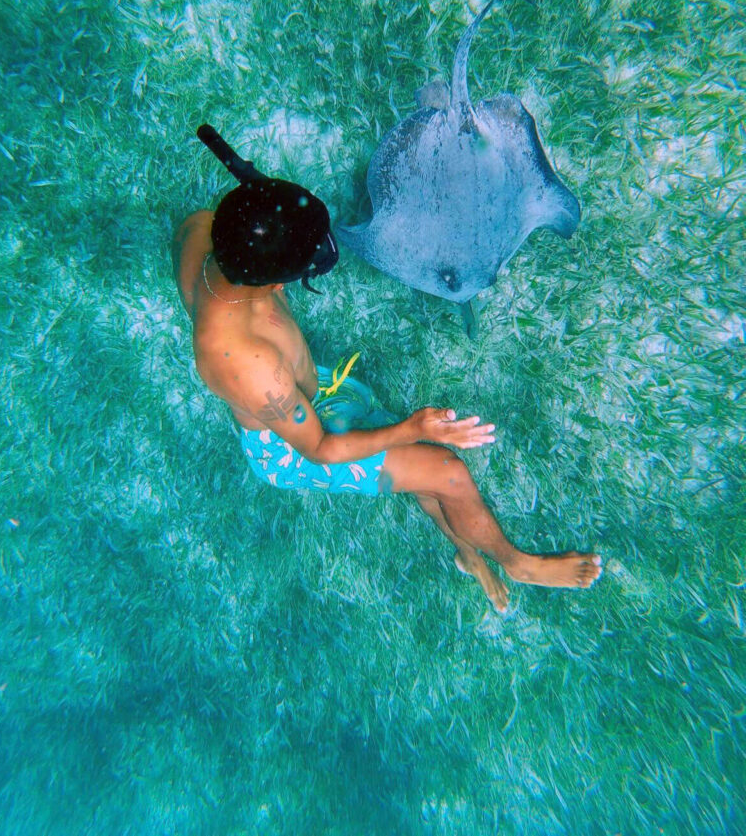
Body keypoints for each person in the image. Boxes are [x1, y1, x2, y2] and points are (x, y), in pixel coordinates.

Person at [171, 126, 601, 613]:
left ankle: (465, 550)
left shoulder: (202, 230)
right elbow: (322, 449)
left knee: (423, 471)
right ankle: (515, 561)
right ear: (271, 282)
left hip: (313, 389)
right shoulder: (247, 366)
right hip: (297, 446)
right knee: (450, 472)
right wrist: (412, 426)